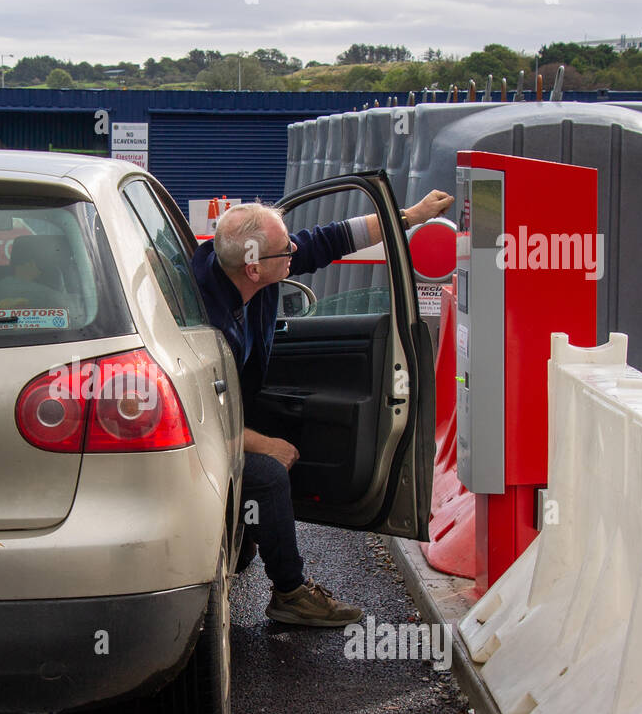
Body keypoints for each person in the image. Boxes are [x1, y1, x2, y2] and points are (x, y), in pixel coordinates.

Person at [193, 190, 452, 626]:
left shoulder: (252, 267)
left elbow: (331, 239)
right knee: (270, 473)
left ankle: (247, 535)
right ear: (254, 267)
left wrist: (410, 216)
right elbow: (201, 418)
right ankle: (290, 594)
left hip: (232, 409)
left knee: (280, 438)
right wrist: (263, 444)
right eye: (286, 248)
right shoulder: (206, 325)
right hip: (199, 434)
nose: (295, 248)